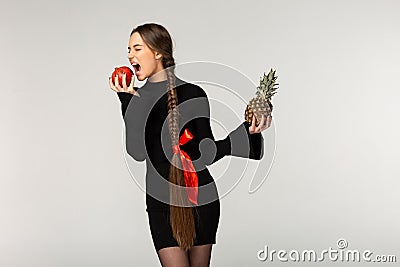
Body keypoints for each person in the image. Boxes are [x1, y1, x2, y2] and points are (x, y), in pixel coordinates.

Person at [109, 23, 272, 267]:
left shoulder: (193, 93)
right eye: (128, 50)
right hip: (161, 201)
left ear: (157, 52)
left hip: (200, 198)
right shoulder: (137, 98)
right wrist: (126, 101)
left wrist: (247, 133)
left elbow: (203, 153)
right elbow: (137, 152)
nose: (130, 55)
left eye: (137, 48)